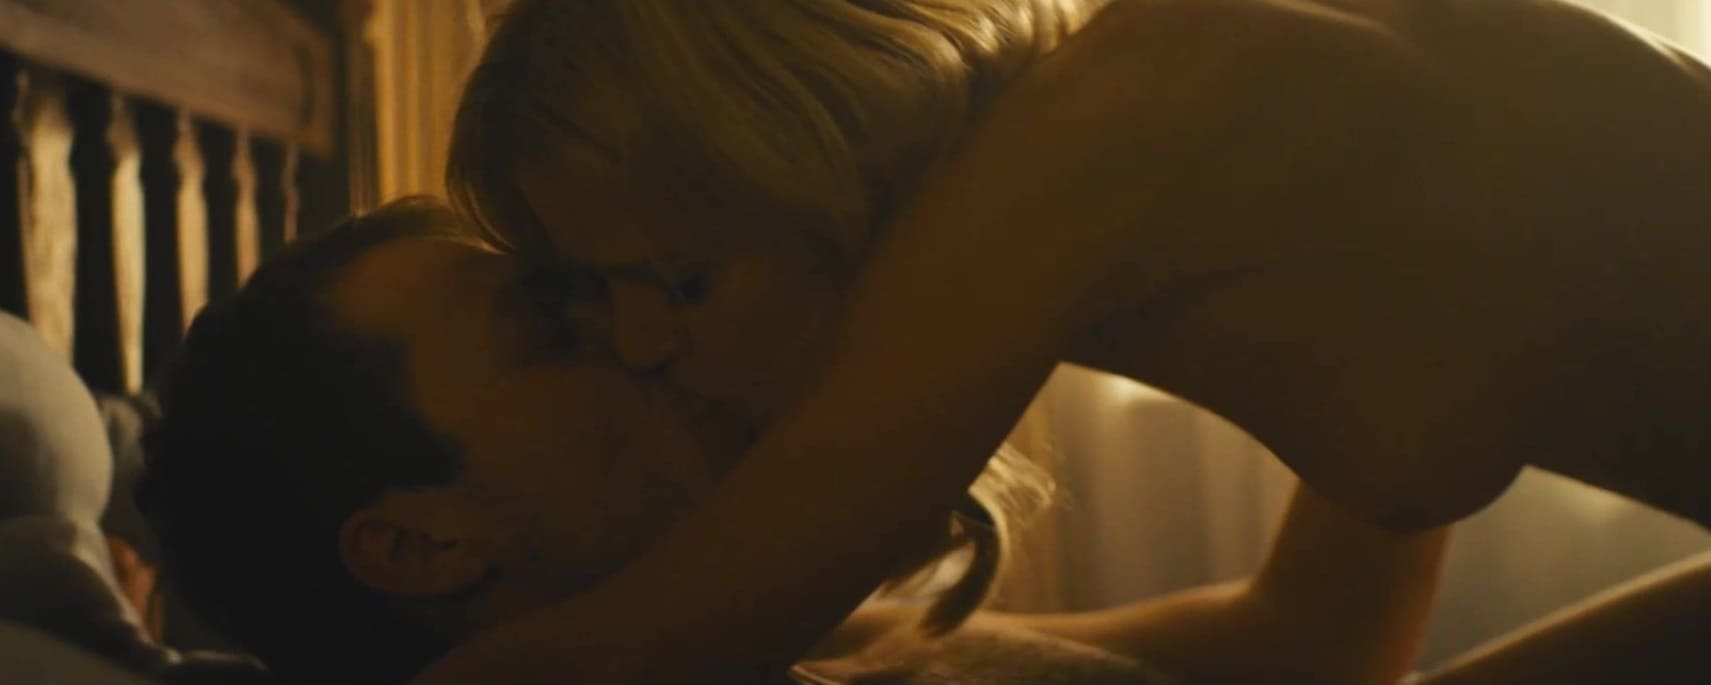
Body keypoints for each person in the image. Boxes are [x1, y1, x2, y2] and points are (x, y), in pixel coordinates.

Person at [429, 0, 1711, 681]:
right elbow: (1325, 639)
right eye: (599, 295)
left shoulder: (1103, 129)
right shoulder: (1135, 199)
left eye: (679, 277)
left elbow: (655, 650)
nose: (640, 343)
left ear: (799, 151)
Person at [138, 197, 1447, 684]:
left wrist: (1408, 268)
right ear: (422, 544)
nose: (632, 330)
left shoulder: (826, 635)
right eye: (547, 323)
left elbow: (1308, 643)